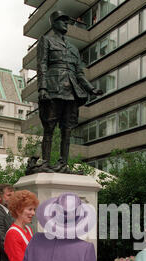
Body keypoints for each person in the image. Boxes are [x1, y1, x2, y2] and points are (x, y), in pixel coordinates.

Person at [26, 10, 102, 175]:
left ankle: (63, 163)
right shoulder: (46, 41)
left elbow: (79, 73)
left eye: (67, 22)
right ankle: (45, 162)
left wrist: (91, 89)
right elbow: (42, 65)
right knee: (49, 126)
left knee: (67, 129)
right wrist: (42, 88)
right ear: (54, 23)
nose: (66, 24)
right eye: (62, 21)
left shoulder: (74, 48)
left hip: (71, 92)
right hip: (53, 88)